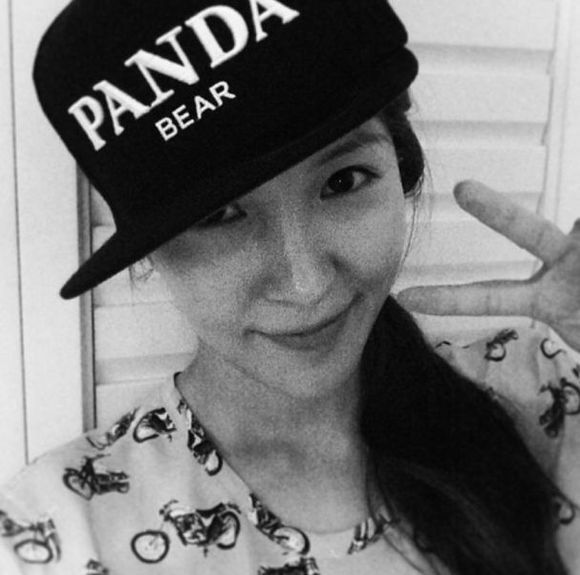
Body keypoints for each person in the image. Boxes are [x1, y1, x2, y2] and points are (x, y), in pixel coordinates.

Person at [1, 0, 579, 574]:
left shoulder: (540, 400)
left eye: (344, 181)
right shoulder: (58, 535)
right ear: (150, 249)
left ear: (402, 169)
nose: (307, 285)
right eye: (219, 215)